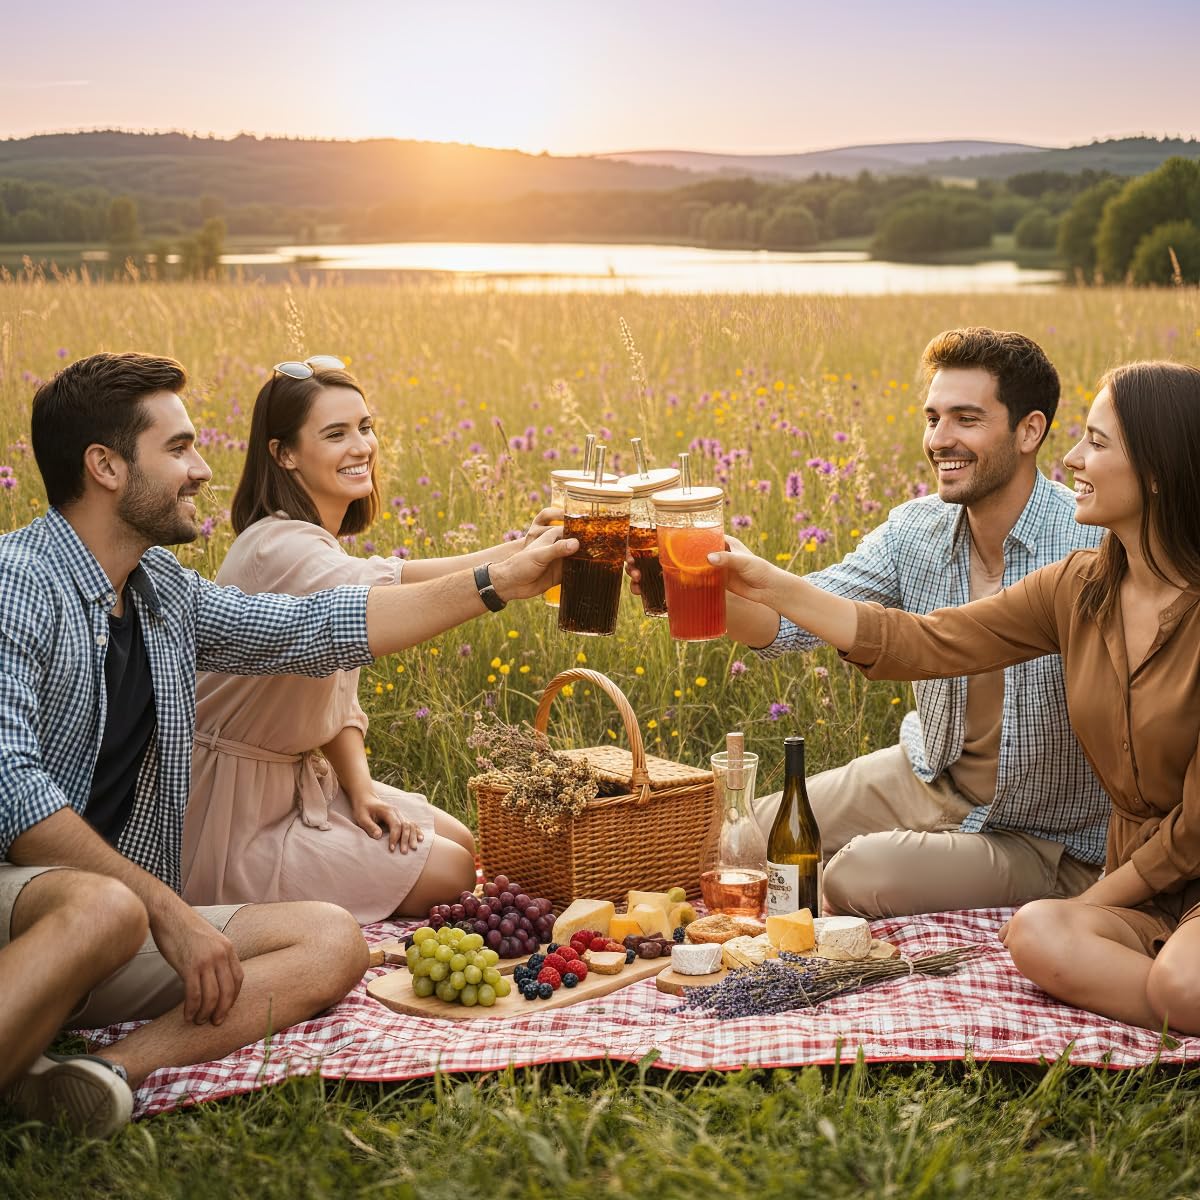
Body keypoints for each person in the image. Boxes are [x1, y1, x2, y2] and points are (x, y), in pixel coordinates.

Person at [0, 352, 575, 1134]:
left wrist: (496, 584)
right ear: (104, 466)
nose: (202, 469)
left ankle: (95, 1074)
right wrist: (169, 911)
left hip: (117, 922)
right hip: (39, 897)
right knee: (105, 904)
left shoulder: (161, 591)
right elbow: (17, 796)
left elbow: (310, 630)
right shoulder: (19, 583)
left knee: (331, 941)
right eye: (176, 449)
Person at [711, 360, 1200, 1034]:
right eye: (933, 417)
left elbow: (1193, 827)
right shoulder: (1081, 585)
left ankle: (1177, 990)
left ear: (1157, 472)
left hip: (1121, 853)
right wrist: (762, 582)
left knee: (1176, 983)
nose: (1076, 457)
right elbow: (929, 642)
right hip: (1106, 867)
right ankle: (1171, 990)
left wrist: (1092, 901)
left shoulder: (1100, 549)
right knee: (1034, 935)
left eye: (1097, 442)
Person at [683, 328, 1107, 916]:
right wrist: (700, 577)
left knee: (858, 874)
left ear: (1029, 430)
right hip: (927, 772)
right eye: (933, 418)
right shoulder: (916, 529)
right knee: (750, 836)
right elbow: (789, 625)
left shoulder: (1089, 541)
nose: (940, 439)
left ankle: (1012, 882)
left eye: (966, 419)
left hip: (1042, 833)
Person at [184, 359, 543, 919]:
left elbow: (392, 586)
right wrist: (501, 581)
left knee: (462, 843)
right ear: (284, 454)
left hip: (299, 781)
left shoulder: (313, 544)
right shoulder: (275, 549)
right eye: (335, 434)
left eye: (364, 427)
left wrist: (526, 546)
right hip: (233, 814)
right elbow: (377, 599)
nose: (361, 447)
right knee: (450, 870)